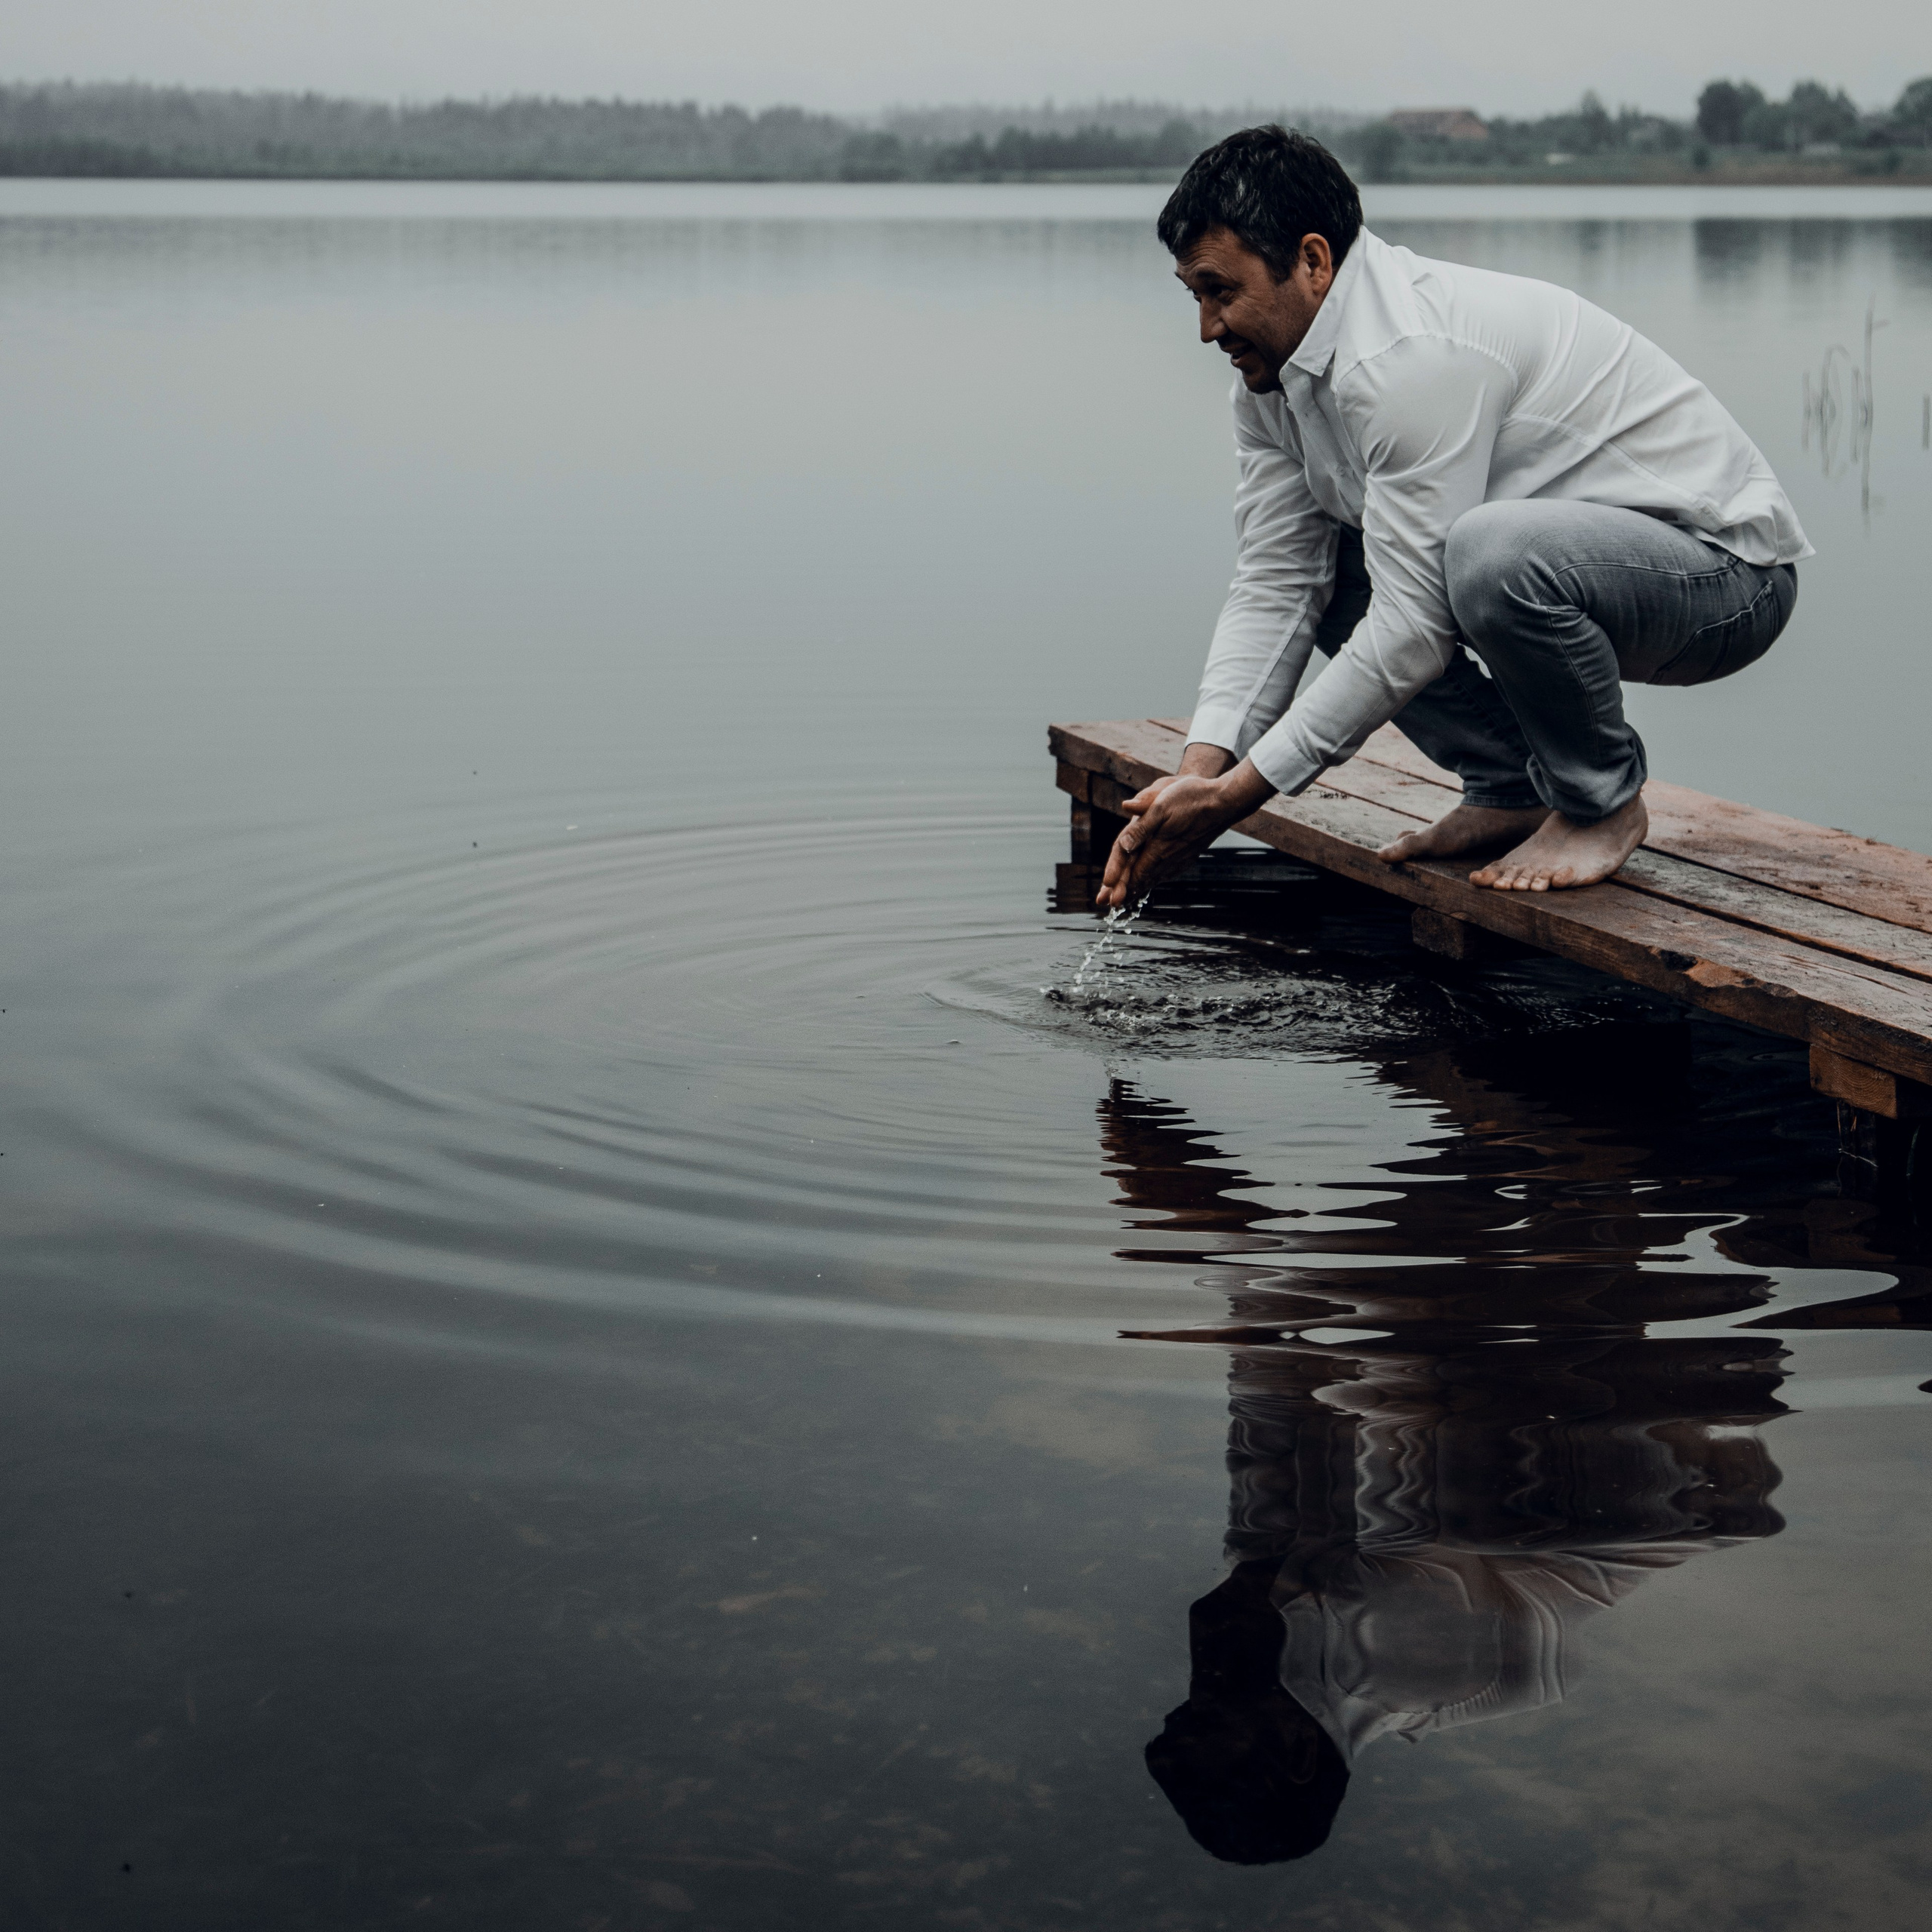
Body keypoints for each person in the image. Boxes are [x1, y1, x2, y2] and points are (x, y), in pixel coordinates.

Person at [1097, 127, 1809, 909]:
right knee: (1346, 573)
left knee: (1489, 554)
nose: (1207, 328)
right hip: (1578, 574)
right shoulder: (1273, 389)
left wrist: (1239, 796)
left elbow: (1413, 629)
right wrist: (1200, 773)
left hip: (1727, 579)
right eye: (1195, 296)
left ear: (1313, 261)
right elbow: (1278, 582)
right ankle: (1510, 785)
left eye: (1221, 292)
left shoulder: (1408, 359)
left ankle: (1599, 801)